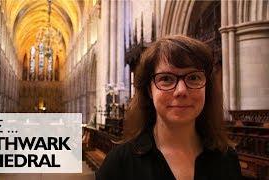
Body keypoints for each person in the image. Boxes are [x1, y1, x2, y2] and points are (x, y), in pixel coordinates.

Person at [96, 35, 242, 180]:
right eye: (166, 79)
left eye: (193, 78)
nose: (181, 91)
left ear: (206, 88)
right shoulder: (120, 164)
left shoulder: (227, 158)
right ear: (149, 90)